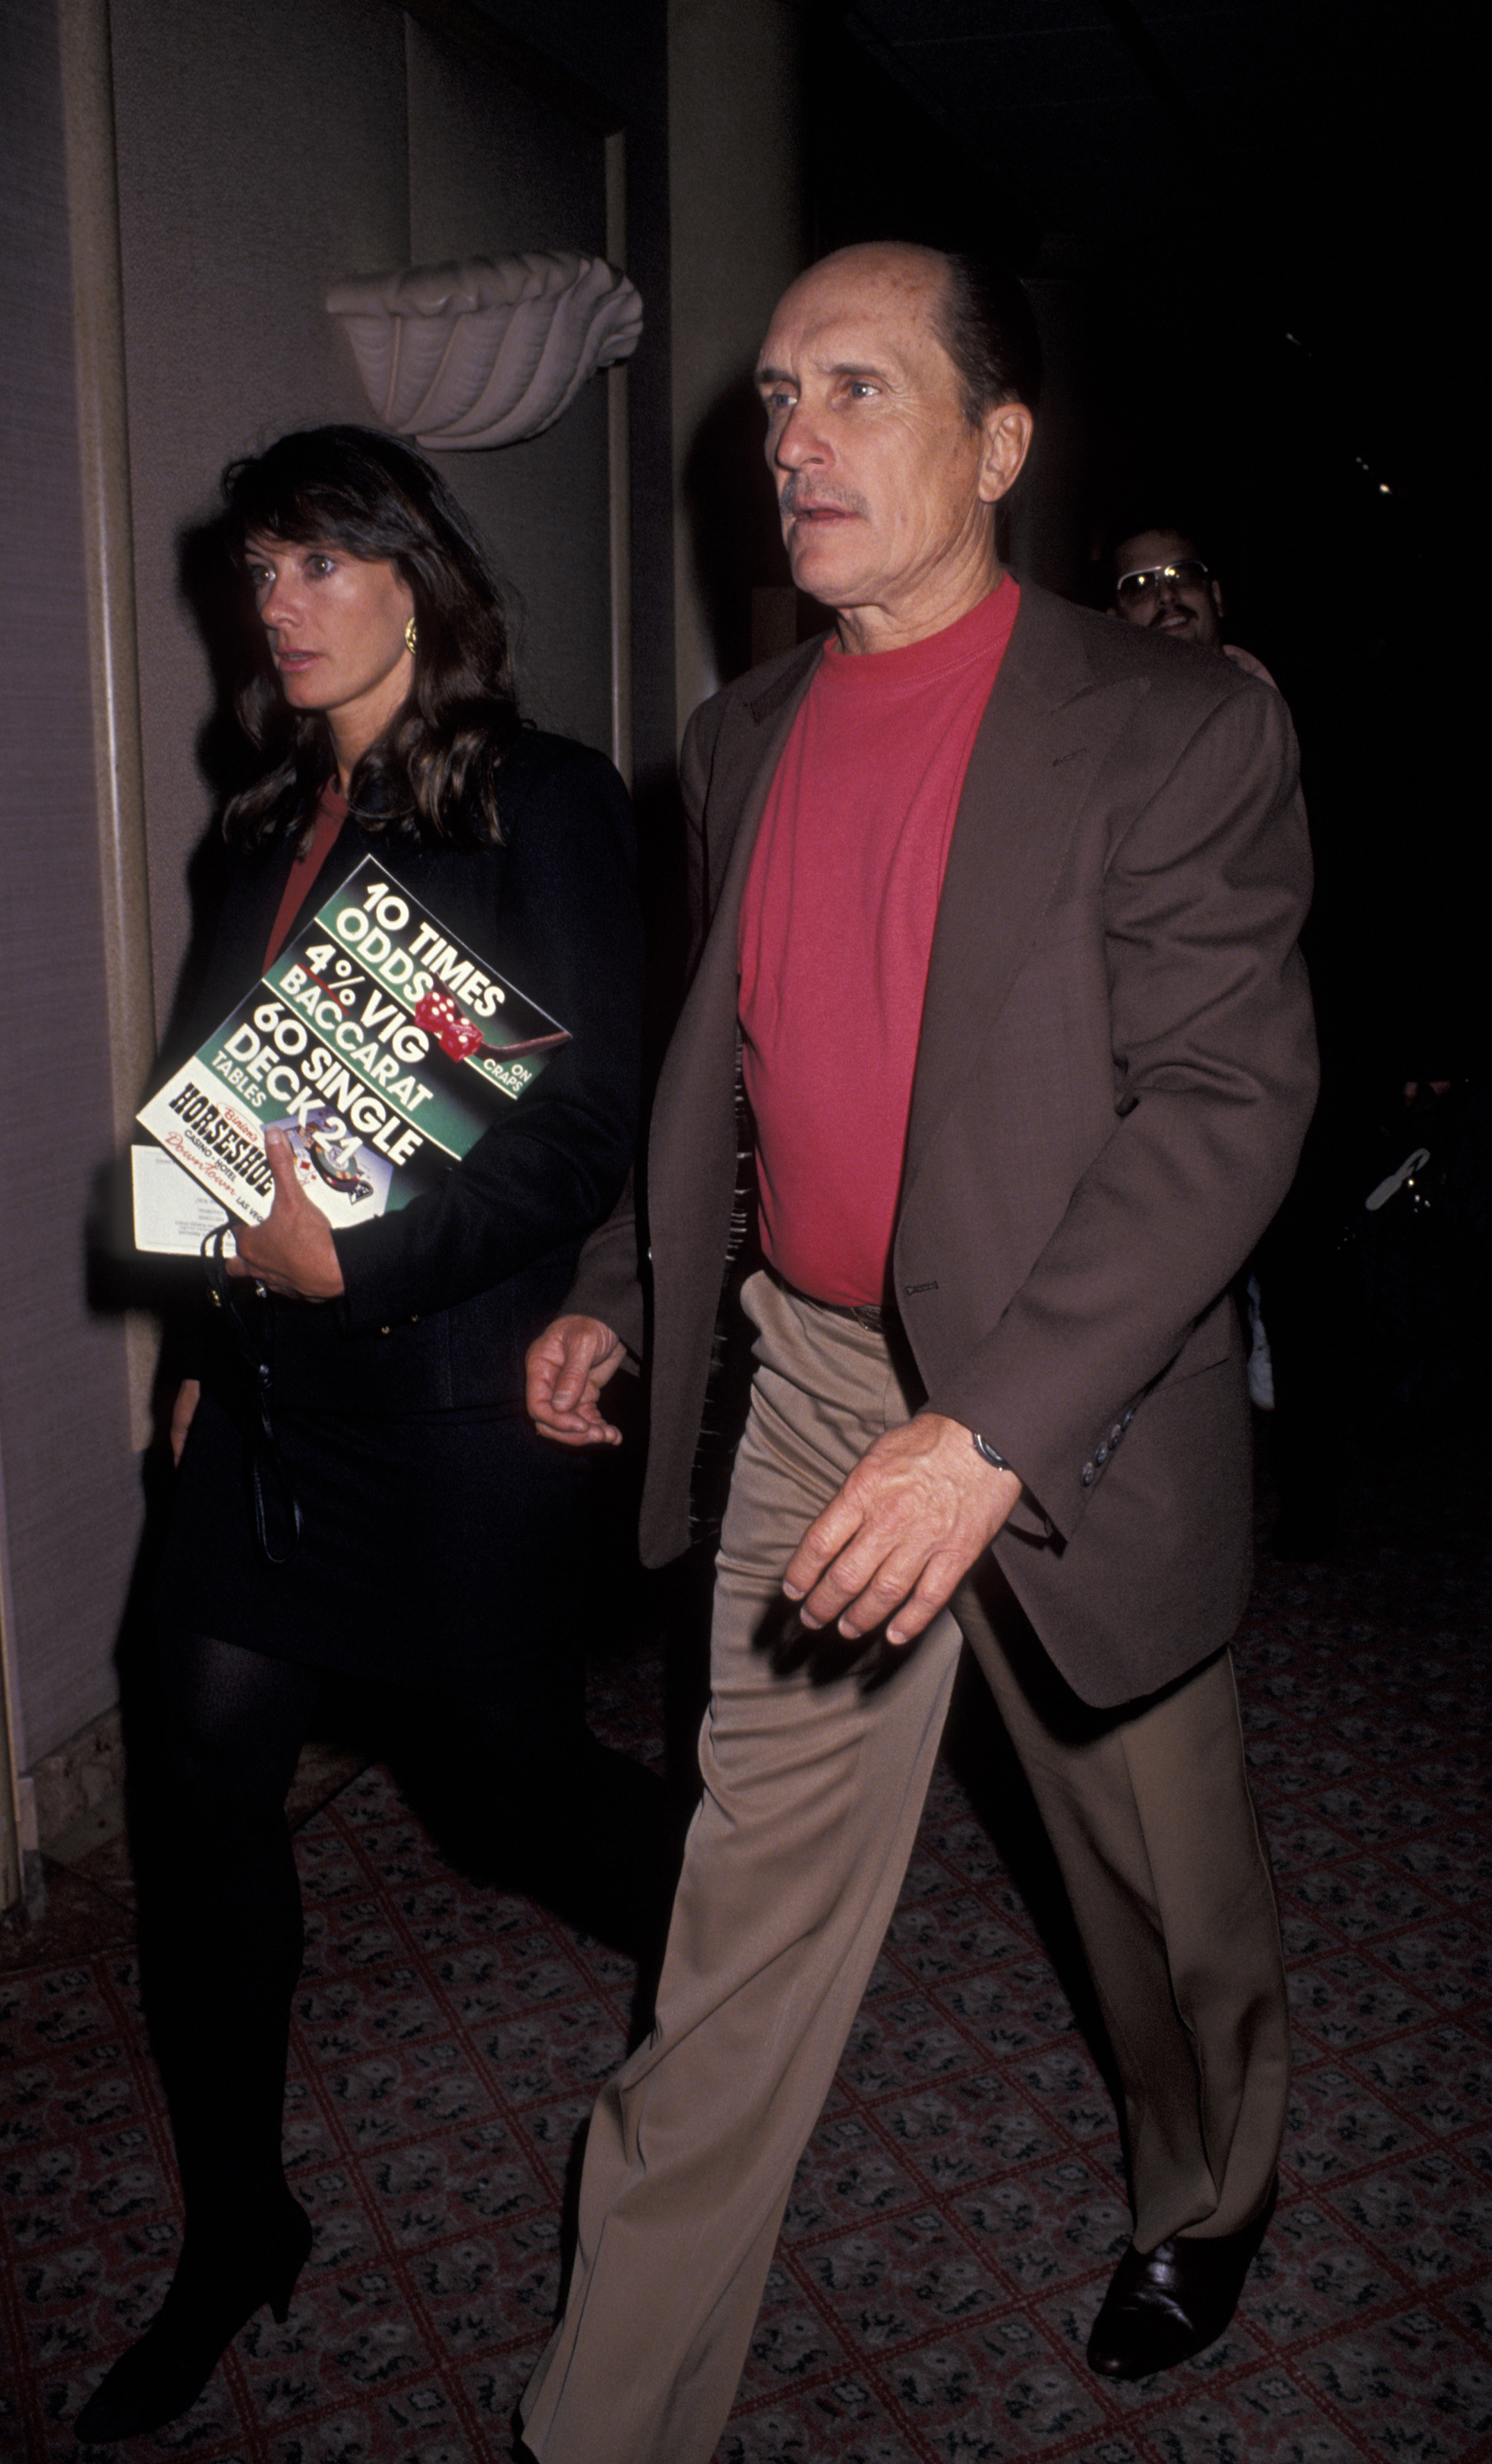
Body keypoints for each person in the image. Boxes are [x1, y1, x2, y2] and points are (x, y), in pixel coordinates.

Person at [517, 244, 1317, 2462]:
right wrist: (624, 1281)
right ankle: (610, 2421)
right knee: (739, 1917)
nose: (792, 441)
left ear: (996, 443)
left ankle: (1209, 2182)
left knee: (1155, 1894)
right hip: (817, 1384)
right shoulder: (743, 732)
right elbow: (724, 1075)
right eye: (777, 397)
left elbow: (1231, 1104)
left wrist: (995, 1424)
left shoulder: (1175, 719)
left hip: (1078, 1405)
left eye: (857, 392)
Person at [76, 426, 657, 2443]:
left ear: (417, 575)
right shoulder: (256, 824)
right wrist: (194, 1325)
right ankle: (239, 2225)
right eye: (261, 569)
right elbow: (208, 1102)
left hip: (441, 1400)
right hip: (256, 1414)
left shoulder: (545, 800)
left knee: (509, 1796)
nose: (282, 600)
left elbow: (586, 1128)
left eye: (322, 559)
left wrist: (366, 1264)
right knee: (193, 1772)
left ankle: (728, 1926)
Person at [1107, 520, 1278, 684]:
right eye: (1140, 586)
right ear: (1115, 623)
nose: (1166, 595)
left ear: (1216, 597)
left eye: (1182, 575)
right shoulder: (1100, 711)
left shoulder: (1270, 704)